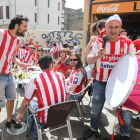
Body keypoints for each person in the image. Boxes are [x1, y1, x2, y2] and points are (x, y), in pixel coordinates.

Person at [83, 14, 140, 140]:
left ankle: (125, 134)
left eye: (116, 27)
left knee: (125, 111)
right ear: (106, 28)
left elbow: (132, 62)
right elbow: (89, 60)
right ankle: (93, 128)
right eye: (110, 27)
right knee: (96, 109)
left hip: (121, 83)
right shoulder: (99, 42)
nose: (113, 30)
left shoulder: (127, 43)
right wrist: (97, 55)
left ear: (120, 28)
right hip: (100, 81)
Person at [16, 54, 70, 140]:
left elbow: (26, 101)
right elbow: (67, 96)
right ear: (50, 65)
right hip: (62, 116)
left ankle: (35, 131)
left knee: (31, 104)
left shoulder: (35, 79)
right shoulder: (61, 76)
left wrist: (20, 113)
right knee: (36, 102)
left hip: (45, 120)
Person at [0, 15, 29, 129]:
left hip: (9, 75)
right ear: (16, 25)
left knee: (11, 99)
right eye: (25, 26)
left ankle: (8, 120)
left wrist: (19, 64)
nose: (26, 29)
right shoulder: (1, 34)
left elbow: (12, 57)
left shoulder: (17, 40)